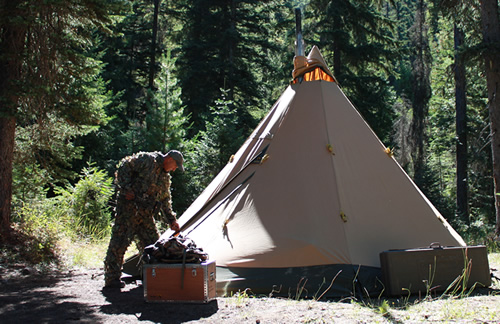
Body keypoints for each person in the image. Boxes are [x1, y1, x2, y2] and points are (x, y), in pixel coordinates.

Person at [103, 150, 184, 288]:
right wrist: (126, 189)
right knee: (119, 243)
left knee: (153, 246)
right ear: (169, 159)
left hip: (145, 216)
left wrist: (171, 220)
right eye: (175, 165)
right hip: (128, 212)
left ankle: (150, 276)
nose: (174, 169)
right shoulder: (147, 160)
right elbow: (124, 166)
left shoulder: (165, 178)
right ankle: (112, 279)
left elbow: (165, 200)